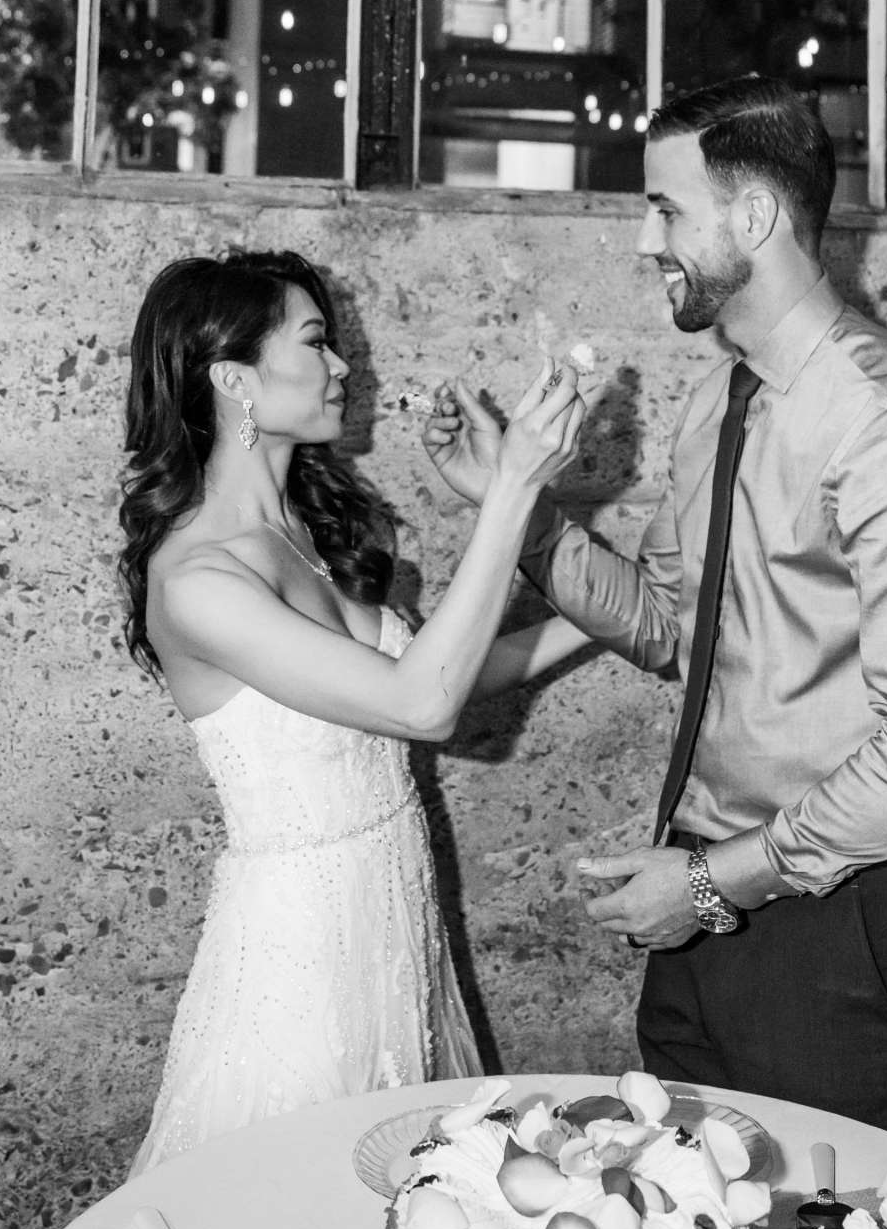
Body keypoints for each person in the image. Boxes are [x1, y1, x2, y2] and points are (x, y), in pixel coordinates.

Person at [424, 76, 887, 1138]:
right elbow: (662, 623)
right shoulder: (716, 398)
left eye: (666, 209)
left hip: (840, 923)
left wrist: (710, 885)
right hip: (703, 893)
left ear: (752, 218)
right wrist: (520, 512)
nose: (646, 241)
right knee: (702, 1219)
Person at [119, 248, 589, 1173]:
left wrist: (622, 619)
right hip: (298, 958)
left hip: (392, 912)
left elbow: (440, 671)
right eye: (317, 342)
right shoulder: (199, 579)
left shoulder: (305, 530)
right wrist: (514, 487)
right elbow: (424, 705)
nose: (344, 367)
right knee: (297, 1207)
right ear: (232, 379)